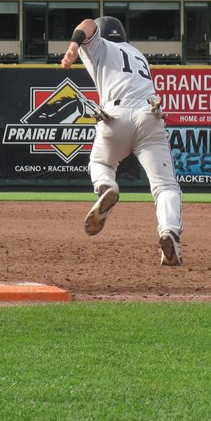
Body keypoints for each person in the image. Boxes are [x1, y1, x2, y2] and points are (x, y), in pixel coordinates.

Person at [60, 15, 184, 266]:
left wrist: (73, 45)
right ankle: (169, 230)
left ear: (102, 33)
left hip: (115, 115)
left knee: (101, 164)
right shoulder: (138, 54)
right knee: (165, 186)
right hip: (149, 115)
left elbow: (87, 24)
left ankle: (106, 186)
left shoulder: (100, 45)